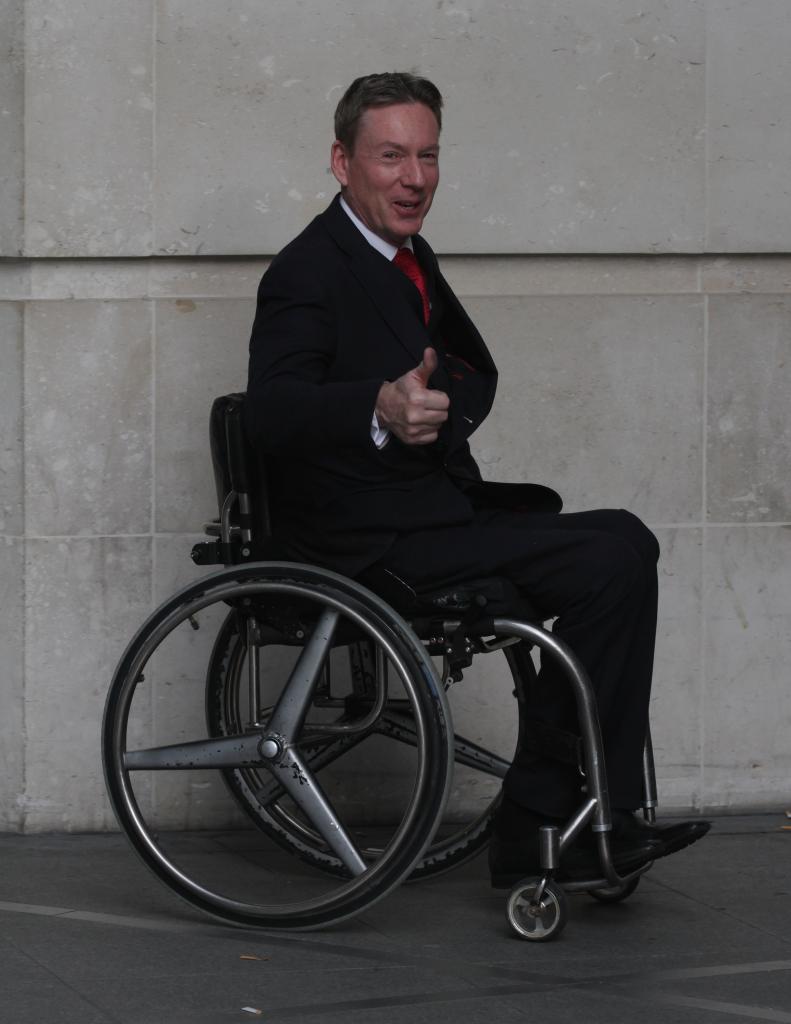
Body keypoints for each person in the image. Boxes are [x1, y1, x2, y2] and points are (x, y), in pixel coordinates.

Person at [244, 72, 709, 886]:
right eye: (390, 156)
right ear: (340, 161)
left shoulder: (407, 255)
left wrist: (437, 405)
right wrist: (379, 408)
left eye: (427, 156)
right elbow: (271, 411)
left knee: (626, 537)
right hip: (365, 541)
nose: (414, 178)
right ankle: (543, 824)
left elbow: (470, 368)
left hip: (432, 513)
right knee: (607, 562)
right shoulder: (308, 270)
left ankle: (595, 810)